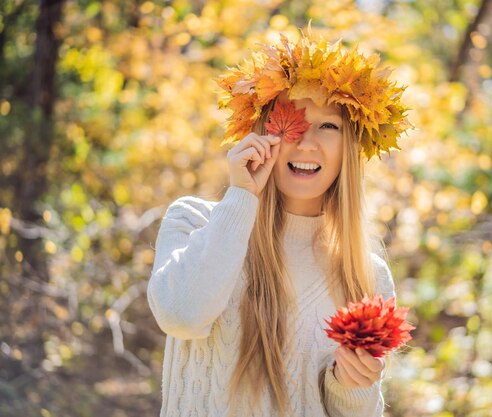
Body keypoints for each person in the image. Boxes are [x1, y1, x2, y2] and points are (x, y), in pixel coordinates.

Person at [147, 28, 411, 417]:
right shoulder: (195, 222)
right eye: (293, 122)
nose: (306, 143)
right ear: (262, 132)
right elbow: (180, 315)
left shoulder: (367, 275)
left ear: (350, 148)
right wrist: (241, 198)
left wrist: (351, 387)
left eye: (329, 126)